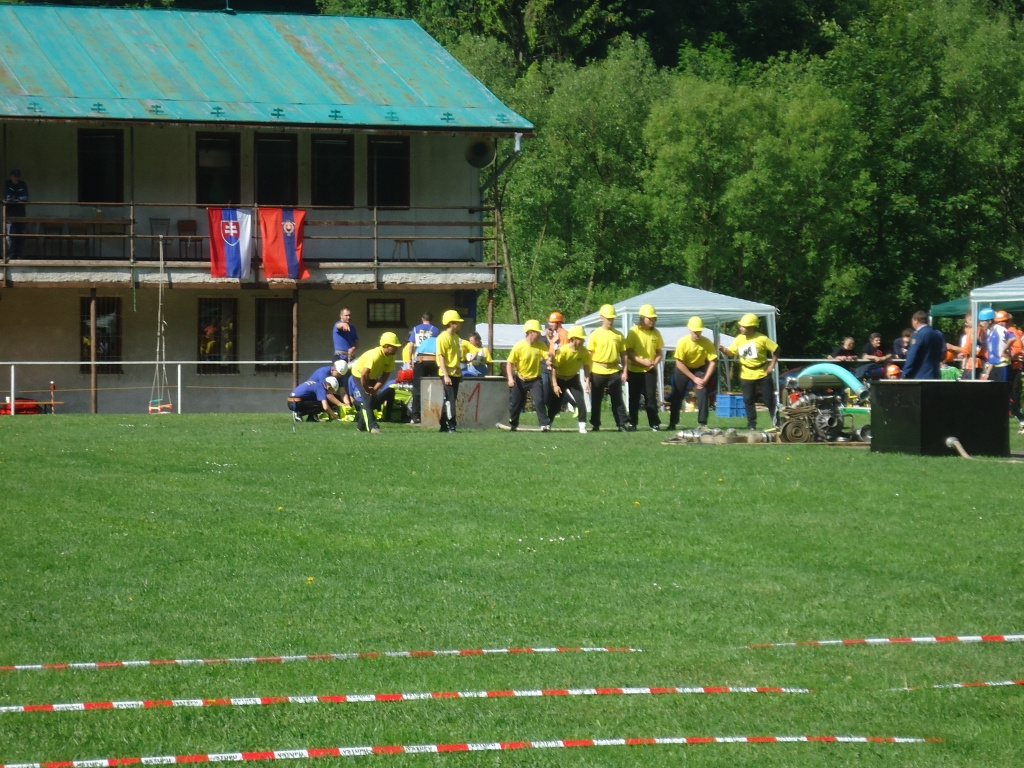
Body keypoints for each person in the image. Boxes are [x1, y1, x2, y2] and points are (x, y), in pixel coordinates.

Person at [720, 313, 779, 431]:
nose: (741, 328)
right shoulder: (739, 339)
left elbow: (777, 349)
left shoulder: (762, 339)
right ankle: (751, 424)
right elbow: (731, 353)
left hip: (762, 373)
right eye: (741, 326)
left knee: (769, 399)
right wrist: (723, 350)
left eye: (744, 326)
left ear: (752, 327)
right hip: (746, 374)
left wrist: (771, 365)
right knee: (748, 400)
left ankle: (776, 423)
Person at [667, 315, 718, 431]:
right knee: (677, 394)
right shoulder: (683, 342)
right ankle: (672, 423)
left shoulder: (707, 343)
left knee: (702, 391)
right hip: (683, 368)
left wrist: (704, 380)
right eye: (695, 332)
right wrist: (694, 378)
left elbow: (713, 362)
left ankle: (702, 423)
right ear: (690, 330)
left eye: (699, 331)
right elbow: (679, 363)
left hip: (699, 368)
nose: (697, 334)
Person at [587, 304, 632, 432]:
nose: (610, 321)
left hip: (614, 370)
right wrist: (587, 374)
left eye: (612, 318)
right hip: (597, 369)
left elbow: (624, 354)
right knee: (596, 399)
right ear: (602, 318)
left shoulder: (618, 335)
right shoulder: (595, 334)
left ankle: (621, 424)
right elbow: (589, 355)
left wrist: (625, 371)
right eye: (608, 318)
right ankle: (595, 424)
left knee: (617, 398)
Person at [350, 332, 402, 434]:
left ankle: (360, 426)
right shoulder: (375, 355)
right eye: (394, 346)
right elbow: (364, 374)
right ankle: (373, 427)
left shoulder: (391, 356)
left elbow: (385, 375)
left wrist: (375, 389)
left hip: (371, 377)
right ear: (385, 346)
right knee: (367, 399)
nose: (396, 348)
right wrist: (366, 389)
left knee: (371, 401)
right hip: (359, 375)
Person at [506, 319, 551, 431]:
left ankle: (544, 424)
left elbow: (547, 357)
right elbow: (509, 362)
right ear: (530, 332)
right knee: (516, 404)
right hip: (520, 379)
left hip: (535, 380)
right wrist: (510, 378)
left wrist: (549, 360)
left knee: (539, 400)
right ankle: (513, 423)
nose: (540, 334)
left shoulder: (541, 345)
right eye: (537, 332)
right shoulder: (519, 346)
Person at [625, 303, 664, 430]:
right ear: (642, 318)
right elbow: (629, 352)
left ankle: (654, 423)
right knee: (634, 398)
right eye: (649, 318)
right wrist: (642, 361)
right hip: (634, 370)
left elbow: (659, 352)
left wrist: (655, 362)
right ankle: (632, 423)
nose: (652, 320)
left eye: (654, 318)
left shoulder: (656, 333)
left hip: (650, 370)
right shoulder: (633, 332)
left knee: (651, 397)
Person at [548, 325, 592, 433]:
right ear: (574, 338)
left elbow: (586, 366)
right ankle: (548, 423)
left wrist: (587, 382)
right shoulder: (563, 351)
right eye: (581, 338)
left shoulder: (583, 351)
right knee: (555, 404)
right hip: (559, 378)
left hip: (573, 378)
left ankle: (582, 425)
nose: (583, 340)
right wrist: (555, 385)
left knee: (580, 401)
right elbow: (554, 368)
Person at [408, 312, 440, 424]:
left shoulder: (416, 329)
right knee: (435, 387)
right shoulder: (435, 330)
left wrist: (410, 359)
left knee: (417, 388)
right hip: (434, 359)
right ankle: (435, 414)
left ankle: (415, 416)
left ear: (422, 318)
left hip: (420, 358)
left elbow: (411, 345)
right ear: (431, 319)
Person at [436, 309, 464, 432]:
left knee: (449, 399)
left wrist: (459, 371)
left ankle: (443, 425)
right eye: (458, 322)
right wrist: (446, 375)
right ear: (451, 323)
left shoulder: (456, 337)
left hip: (455, 373)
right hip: (446, 373)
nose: (460, 324)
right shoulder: (442, 338)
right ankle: (451, 425)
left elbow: (456, 356)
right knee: (450, 400)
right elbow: (441, 356)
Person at [901, 310, 945, 379]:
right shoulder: (938, 334)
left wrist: (905, 373)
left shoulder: (918, 335)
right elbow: (942, 354)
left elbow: (912, 355)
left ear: (916, 320)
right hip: (935, 375)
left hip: (921, 375)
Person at [981, 309, 1014, 383]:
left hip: (1003, 365)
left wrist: (1005, 350)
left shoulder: (1000, 329)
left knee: (1002, 388)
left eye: (983, 321)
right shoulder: (989, 331)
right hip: (994, 365)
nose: (981, 323)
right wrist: (987, 373)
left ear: (990, 321)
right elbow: (992, 352)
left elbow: (1012, 338)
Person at [4, 169, 28, 258]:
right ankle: (11, 255)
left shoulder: (22, 184)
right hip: (10, 214)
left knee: (20, 235)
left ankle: (19, 255)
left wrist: (14, 199)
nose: (16, 178)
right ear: (11, 176)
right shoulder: (8, 184)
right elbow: (8, 198)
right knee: (10, 235)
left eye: (17, 176)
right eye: (14, 176)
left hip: (20, 214)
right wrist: (18, 199)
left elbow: (26, 198)